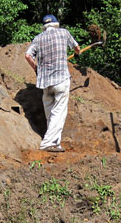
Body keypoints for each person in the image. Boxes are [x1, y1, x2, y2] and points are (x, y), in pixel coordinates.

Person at [25, 14, 80, 152]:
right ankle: (47, 143)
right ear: (56, 24)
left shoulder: (38, 38)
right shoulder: (64, 33)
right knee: (58, 113)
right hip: (61, 79)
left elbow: (27, 55)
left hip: (45, 83)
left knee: (51, 114)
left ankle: (55, 143)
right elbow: (77, 48)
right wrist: (77, 53)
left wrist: (36, 68)